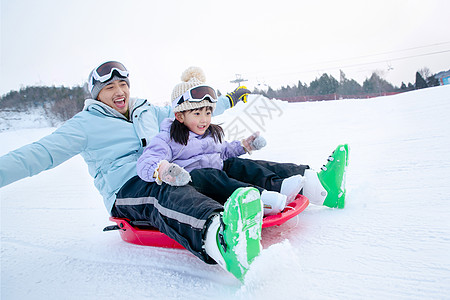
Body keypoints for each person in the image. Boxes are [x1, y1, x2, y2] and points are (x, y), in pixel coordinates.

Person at [0, 61, 348, 281]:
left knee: (224, 162)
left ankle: (311, 182)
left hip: (176, 170)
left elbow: (187, 107)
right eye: (109, 87)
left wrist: (230, 98)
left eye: (123, 85)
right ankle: (221, 235)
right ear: (97, 93)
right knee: (162, 194)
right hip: (129, 189)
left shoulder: (146, 111)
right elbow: (39, 154)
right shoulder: (84, 125)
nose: (119, 92)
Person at [136, 67, 305, 216]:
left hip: (217, 181)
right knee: (210, 175)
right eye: (197, 114)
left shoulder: (208, 133)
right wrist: (163, 170)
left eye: (208, 113)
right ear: (180, 115)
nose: (204, 120)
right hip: (195, 189)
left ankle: (278, 186)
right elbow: (145, 161)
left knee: (236, 165)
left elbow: (223, 151)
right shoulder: (168, 137)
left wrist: (245, 145)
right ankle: (259, 200)